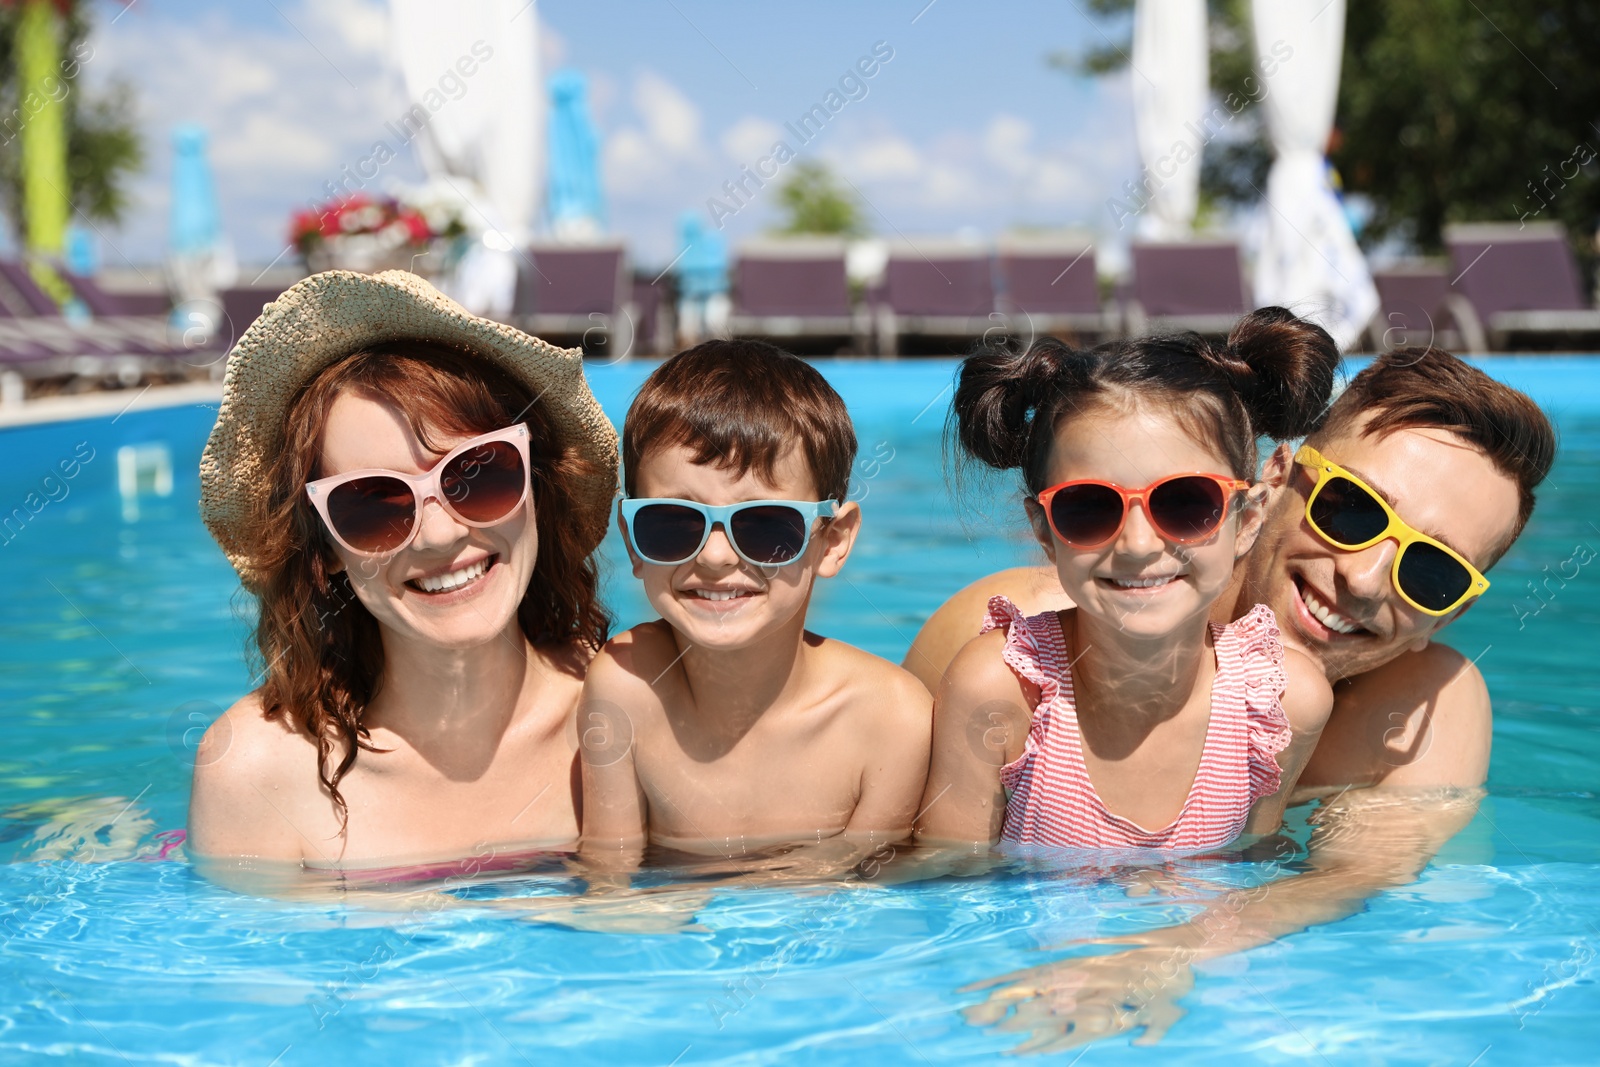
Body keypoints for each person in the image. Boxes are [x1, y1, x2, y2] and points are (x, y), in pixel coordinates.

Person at [911, 345, 1556, 1049]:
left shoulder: (1425, 713)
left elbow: (1354, 889)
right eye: (1351, 509)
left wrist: (1171, 950)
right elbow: (918, 876)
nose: (1366, 580)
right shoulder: (1009, 656)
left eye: (1432, 572)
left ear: (1449, 613)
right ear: (1273, 481)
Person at [187, 270, 618, 881]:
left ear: (537, 485)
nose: (440, 535)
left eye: (479, 473)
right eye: (374, 504)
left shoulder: (638, 712)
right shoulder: (257, 774)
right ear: (326, 548)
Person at [916, 309, 1338, 852]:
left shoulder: (1283, 702)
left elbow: (1251, 879)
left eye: (1186, 502)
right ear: (1044, 532)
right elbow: (951, 896)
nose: (1138, 546)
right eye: (1089, 508)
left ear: (1248, 520)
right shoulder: (1001, 692)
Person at [578, 340, 931, 873]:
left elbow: (866, 906)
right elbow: (611, 883)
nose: (716, 557)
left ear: (832, 541)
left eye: (766, 526)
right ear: (632, 541)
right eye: (673, 523)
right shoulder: (625, 688)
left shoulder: (891, 720)